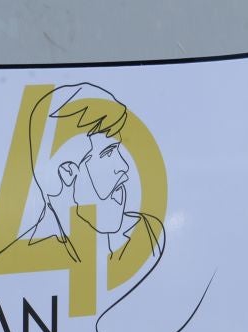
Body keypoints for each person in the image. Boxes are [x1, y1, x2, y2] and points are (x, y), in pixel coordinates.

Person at [27, 82, 164, 264]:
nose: (124, 166)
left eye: (118, 150)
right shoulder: (28, 261)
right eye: (108, 153)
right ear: (68, 171)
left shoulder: (146, 235)